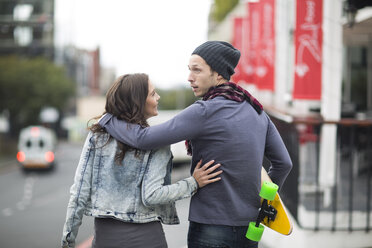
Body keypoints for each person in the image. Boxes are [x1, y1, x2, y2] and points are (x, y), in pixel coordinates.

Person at [99, 41, 293, 248]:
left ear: (218, 74)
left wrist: (108, 120)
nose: (189, 77)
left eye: (197, 70)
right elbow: (283, 163)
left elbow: (143, 139)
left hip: (211, 226)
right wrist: (265, 201)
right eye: (189, 70)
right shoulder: (257, 112)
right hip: (250, 227)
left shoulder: (204, 111)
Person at [61, 73, 222, 248]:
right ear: (137, 102)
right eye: (153, 94)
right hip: (147, 239)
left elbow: (79, 192)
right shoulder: (158, 142)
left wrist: (68, 239)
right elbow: (152, 196)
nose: (158, 97)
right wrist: (193, 183)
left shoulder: (97, 136)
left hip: (105, 239)